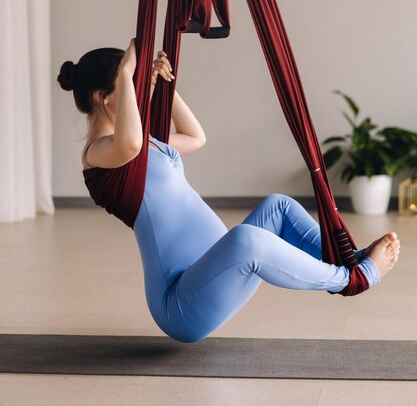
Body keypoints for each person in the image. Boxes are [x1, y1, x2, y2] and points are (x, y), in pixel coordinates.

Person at [57, 38, 400, 343]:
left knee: (277, 207)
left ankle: (349, 258)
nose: (137, 90)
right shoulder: (97, 154)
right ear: (102, 97)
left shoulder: (144, 142)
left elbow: (195, 137)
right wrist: (129, 66)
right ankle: (351, 278)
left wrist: (163, 85)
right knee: (245, 239)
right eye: (129, 84)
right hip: (180, 303)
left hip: (214, 270)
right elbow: (128, 143)